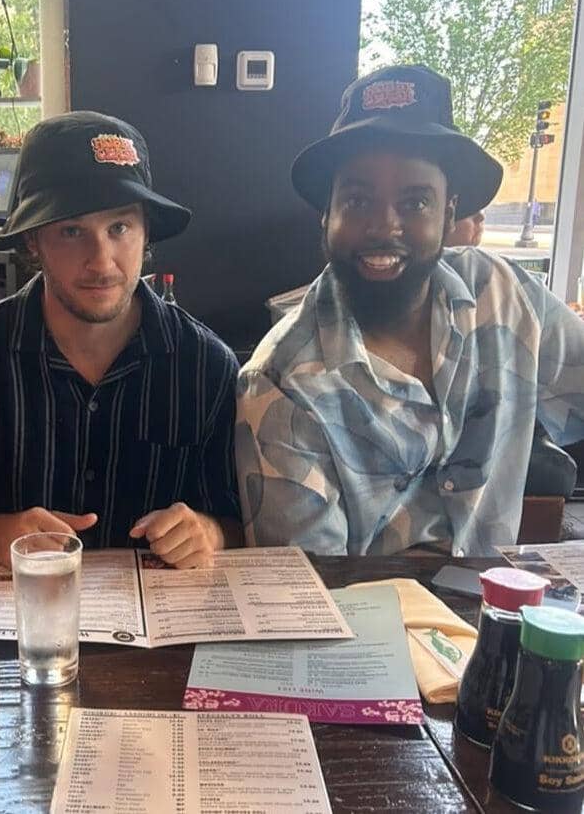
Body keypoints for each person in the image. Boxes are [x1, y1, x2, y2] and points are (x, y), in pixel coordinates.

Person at [237, 65, 584, 556]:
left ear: (449, 213)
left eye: (415, 202)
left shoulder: (503, 295)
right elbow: (308, 590)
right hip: (369, 625)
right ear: (327, 216)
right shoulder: (281, 382)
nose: (384, 226)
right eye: (357, 200)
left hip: (502, 614)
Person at [0, 111, 241, 568]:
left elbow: (243, 520)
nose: (100, 260)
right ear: (32, 242)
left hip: (165, 632)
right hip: (9, 629)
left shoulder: (208, 368)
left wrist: (209, 532)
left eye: (119, 228)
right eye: (71, 231)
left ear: (146, 234)